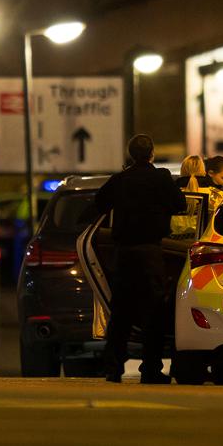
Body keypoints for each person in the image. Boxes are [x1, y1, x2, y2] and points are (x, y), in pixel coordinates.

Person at [94, 134, 187, 384]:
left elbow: (98, 204)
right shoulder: (161, 178)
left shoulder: (120, 180)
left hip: (123, 254)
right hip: (150, 254)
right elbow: (181, 204)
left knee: (121, 313)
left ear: (130, 154)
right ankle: (150, 369)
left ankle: (113, 369)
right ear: (152, 154)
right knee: (153, 313)